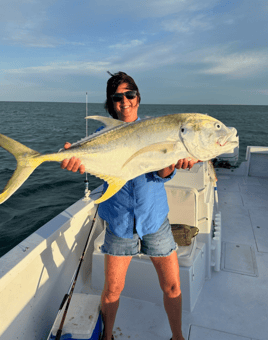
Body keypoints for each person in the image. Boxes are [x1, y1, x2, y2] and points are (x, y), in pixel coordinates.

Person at [61, 72, 199, 340]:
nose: (124, 101)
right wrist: (73, 159)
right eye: (117, 97)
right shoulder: (101, 135)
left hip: (154, 219)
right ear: (111, 103)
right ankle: (108, 336)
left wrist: (174, 160)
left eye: (129, 94)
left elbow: (162, 174)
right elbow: (91, 162)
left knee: (172, 286)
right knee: (112, 290)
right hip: (120, 223)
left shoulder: (156, 130)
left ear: (138, 97)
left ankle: (177, 337)